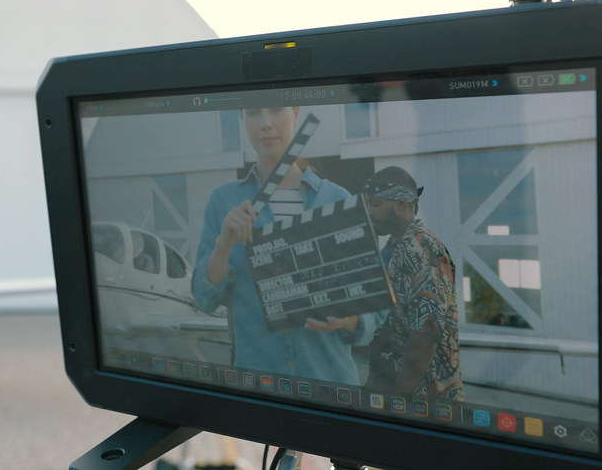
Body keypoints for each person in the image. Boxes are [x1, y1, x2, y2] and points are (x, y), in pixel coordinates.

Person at [192, 107, 386, 384]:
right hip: (259, 390)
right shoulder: (223, 202)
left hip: (331, 388)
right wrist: (223, 247)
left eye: (275, 110)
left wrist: (348, 320)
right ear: (242, 119)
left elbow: (376, 311)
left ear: (295, 114)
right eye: (253, 113)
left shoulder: (338, 200)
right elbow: (204, 299)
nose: (266, 123)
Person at [363, 167, 464, 401]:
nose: (369, 212)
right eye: (367, 204)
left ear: (401, 204)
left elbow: (425, 338)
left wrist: (397, 397)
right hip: (387, 385)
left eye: (375, 204)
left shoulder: (423, 248)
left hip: (420, 399)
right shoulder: (395, 245)